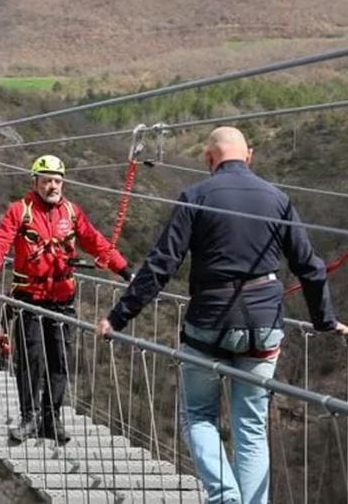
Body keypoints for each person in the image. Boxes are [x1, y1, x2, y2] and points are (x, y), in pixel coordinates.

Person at [96, 127, 348, 504]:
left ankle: (225, 497)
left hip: (209, 323)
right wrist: (325, 321)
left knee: (199, 415)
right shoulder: (278, 199)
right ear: (250, 155)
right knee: (251, 425)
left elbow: (160, 266)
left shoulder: (195, 197)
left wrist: (118, 317)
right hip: (264, 326)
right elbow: (310, 268)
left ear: (209, 159)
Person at [0, 154, 132, 444]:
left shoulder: (71, 213)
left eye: (57, 181)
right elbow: (1, 243)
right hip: (29, 298)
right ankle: (30, 417)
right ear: (35, 181)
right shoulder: (19, 211)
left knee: (59, 362)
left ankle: (51, 418)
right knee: (31, 360)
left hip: (62, 299)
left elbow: (96, 242)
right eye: (46, 180)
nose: (52, 186)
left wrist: (125, 271)